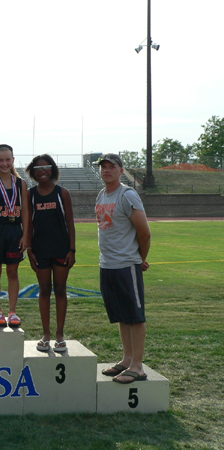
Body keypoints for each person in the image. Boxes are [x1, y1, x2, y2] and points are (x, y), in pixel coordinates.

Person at [96, 153, 151, 384]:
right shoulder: (101, 194)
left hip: (126, 264)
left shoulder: (127, 195)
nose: (107, 170)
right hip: (107, 264)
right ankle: (127, 359)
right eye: (104, 167)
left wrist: (140, 258)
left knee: (135, 316)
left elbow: (144, 231)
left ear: (121, 170)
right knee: (121, 314)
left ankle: (137, 366)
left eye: (112, 167)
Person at [25, 154, 76, 352]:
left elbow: (70, 223)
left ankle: (60, 336)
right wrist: (29, 249)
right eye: (38, 168)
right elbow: (28, 223)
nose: (43, 171)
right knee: (44, 289)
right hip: (40, 249)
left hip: (61, 248)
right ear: (33, 172)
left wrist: (72, 249)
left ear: (52, 169)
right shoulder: (30, 195)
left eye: (46, 167)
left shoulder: (62, 193)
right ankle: (46, 334)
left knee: (61, 289)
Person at [0, 145, 30, 327]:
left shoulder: (21, 183)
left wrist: (25, 235)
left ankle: (13, 311)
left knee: (12, 272)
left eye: (8, 159)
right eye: (0, 160)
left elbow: (25, 211)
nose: (4, 163)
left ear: (13, 160)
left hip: (15, 231)